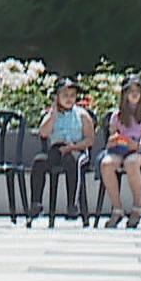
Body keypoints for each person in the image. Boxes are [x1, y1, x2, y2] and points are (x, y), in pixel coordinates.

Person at [99, 74, 141, 228]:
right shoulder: (117, 116)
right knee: (106, 164)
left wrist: (140, 146)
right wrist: (113, 140)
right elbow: (110, 140)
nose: (134, 94)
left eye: (137, 90)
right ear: (124, 94)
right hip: (119, 150)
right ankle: (117, 208)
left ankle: (138, 207)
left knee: (131, 162)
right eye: (130, 90)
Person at [31, 77, 95, 218]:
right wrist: (52, 117)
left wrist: (73, 147)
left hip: (77, 149)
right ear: (57, 97)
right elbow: (43, 133)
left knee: (70, 160)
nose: (69, 99)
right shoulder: (51, 114)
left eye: (72, 96)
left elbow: (90, 140)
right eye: (65, 95)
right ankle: (36, 203)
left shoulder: (82, 115)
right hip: (57, 148)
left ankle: (73, 203)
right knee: (39, 162)